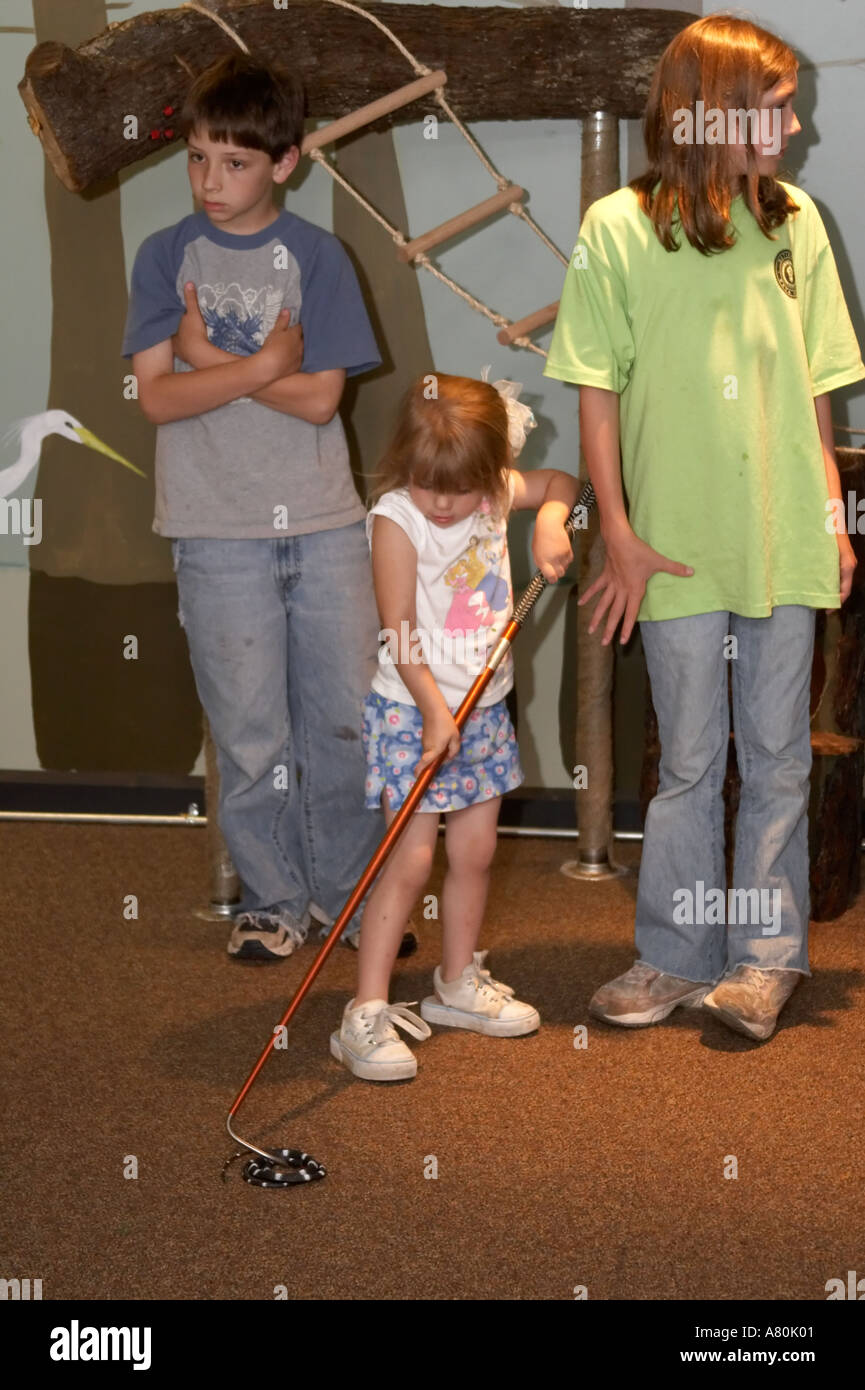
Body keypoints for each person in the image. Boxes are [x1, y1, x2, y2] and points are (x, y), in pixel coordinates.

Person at [544, 14, 864, 1042]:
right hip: (670, 544)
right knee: (689, 758)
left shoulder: (797, 223)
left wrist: (830, 516)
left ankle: (763, 959)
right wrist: (618, 536)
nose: (793, 121)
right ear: (707, 111)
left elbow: (819, 385)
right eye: (774, 107)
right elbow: (595, 392)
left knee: (776, 752)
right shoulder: (615, 229)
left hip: (780, 537)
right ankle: (676, 952)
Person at [122, 53, 387, 961]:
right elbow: (155, 398)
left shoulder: (318, 256)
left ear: (285, 162)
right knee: (248, 733)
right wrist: (266, 366)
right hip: (212, 530)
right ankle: (272, 902)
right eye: (197, 158)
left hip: (323, 526)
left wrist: (213, 363)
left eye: (233, 162)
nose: (210, 181)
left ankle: (349, 900)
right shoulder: (164, 256)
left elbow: (321, 401)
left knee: (344, 725)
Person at [329, 371, 580, 1080]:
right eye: (428, 484)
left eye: (460, 490)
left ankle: (457, 983)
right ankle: (365, 1014)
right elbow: (398, 631)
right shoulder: (396, 517)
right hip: (414, 712)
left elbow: (561, 481)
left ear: (488, 474)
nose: (443, 504)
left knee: (473, 854)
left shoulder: (495, 492)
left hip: (484, 710)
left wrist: (554, 522)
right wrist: (435, 710)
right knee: (408, 864)